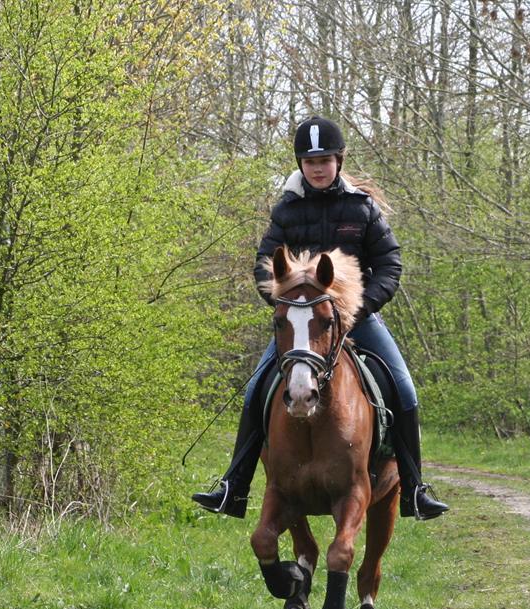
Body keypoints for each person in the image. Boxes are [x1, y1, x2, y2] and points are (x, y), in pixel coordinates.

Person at [192, 115, 449, 521]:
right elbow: (265, 265)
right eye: (309, 161)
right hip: (301, 324)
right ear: (300, 165)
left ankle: (416, 489)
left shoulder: (362, 208)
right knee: (255, 389)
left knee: (404, 388)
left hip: (356, 320)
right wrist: (288, 305)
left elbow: (390, 265)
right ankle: (233, 486)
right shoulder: (287, 210)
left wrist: (358, 308)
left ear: (339, 161)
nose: (317, 167)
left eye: (325, 159)